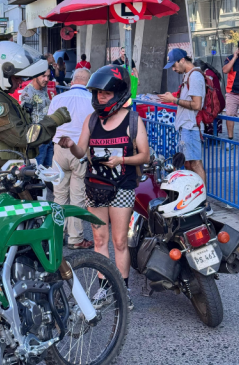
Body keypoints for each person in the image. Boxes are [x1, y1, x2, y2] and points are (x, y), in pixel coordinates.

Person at [57, 65, 149, 310]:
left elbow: (145, 156)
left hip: (122, 187)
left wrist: (122, 160)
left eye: (105, 94)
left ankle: (123, 289)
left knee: (119, 241)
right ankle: (105, 290)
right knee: (99, 239)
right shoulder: (92, 119)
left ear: (117, 93)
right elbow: (81, 151)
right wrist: (70, 145)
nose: (100, 98)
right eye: (97, 93)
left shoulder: (132, 120)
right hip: (95, 186)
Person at [0, 42, 71, 202]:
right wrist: (54, 120)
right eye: (17, 77)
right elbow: (23, 137)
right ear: (2, 72)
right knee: (4, 226)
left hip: (2, 174)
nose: (21, 82)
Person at [158, 48, 213, 215]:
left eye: (173, 65)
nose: (173, 69)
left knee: (195, 164)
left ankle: (203, 203)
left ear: (182, 60)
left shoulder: (195, 76)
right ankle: (196, 201)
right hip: (187, 127)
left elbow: (197, 105)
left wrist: (173, 100)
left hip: (191, 127)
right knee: (190, 164)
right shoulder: (189, 76)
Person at [48, 68, 95, 250]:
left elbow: (50, 123)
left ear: (72, 80)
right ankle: (75, 239)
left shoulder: (58, 98)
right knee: (77, 196)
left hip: (59, 148)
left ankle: (56, 236)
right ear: (88, 82)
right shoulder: (91, 100)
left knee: (59, 195)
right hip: (80, 150)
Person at [20, 68, 53, 168]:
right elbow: (25, 118)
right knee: (37, 170)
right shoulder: (28, 93)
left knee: (48, 171)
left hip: (48, 137)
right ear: (35, 76)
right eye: (43, 76)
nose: (46, 79)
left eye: (48, 76)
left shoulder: (44, 89)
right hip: (38, 139)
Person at [194, 58, 225, 136]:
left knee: (209, 115)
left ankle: (211, 136)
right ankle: (211, 135)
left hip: (214, 100)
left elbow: (207, 86)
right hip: (216, 99)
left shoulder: (208, 74)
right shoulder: (209, 72)